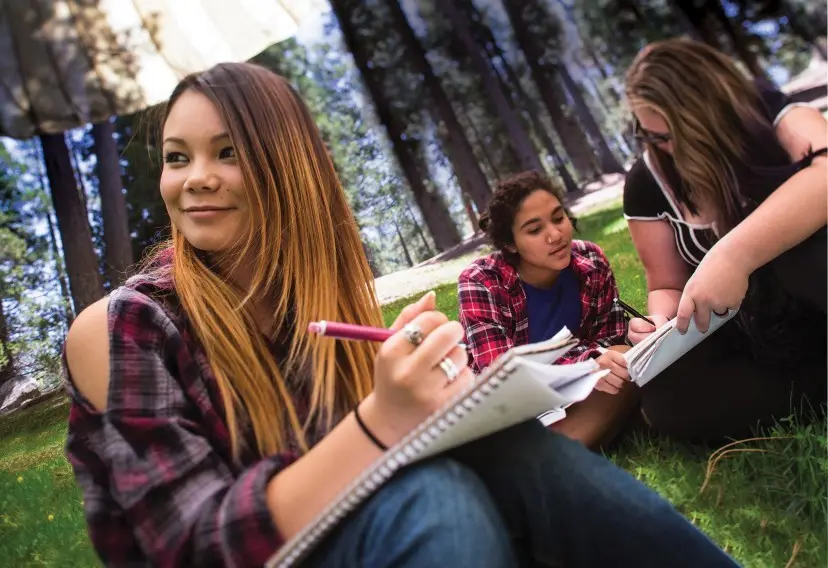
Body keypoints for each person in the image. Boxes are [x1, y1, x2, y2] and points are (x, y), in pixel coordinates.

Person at [62, 62, 739, 567]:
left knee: (505, 450)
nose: (193, 178)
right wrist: (382, 421)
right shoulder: (121, 328)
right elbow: (193, 544)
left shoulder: (314, 299)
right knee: (430, 495)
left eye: (226, 152)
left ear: (289, 166)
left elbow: (368, 465)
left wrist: (440, 407)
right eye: (178, 157)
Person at [622, 38, 827, 442]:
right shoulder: (647, 181)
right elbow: (666, 283)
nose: (668, 148)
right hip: (759, 332)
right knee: (665, 398)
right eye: (652, 136)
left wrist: (733, 256)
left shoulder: (769, 113)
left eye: (673, 133)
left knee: (800, 255)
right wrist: (659, 325)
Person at [458, 170, 637, 449]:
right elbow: (502, 375)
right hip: (510, 411)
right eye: (534, 230)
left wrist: (601, 361)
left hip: (582, 395)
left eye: (558, 218)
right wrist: (585, 365)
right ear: (509, 243)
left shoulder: (591, 262)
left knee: (625, 362)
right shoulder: (481, 281)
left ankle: (555, 452)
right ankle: (549, 455)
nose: (555, 235)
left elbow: (611, 339)